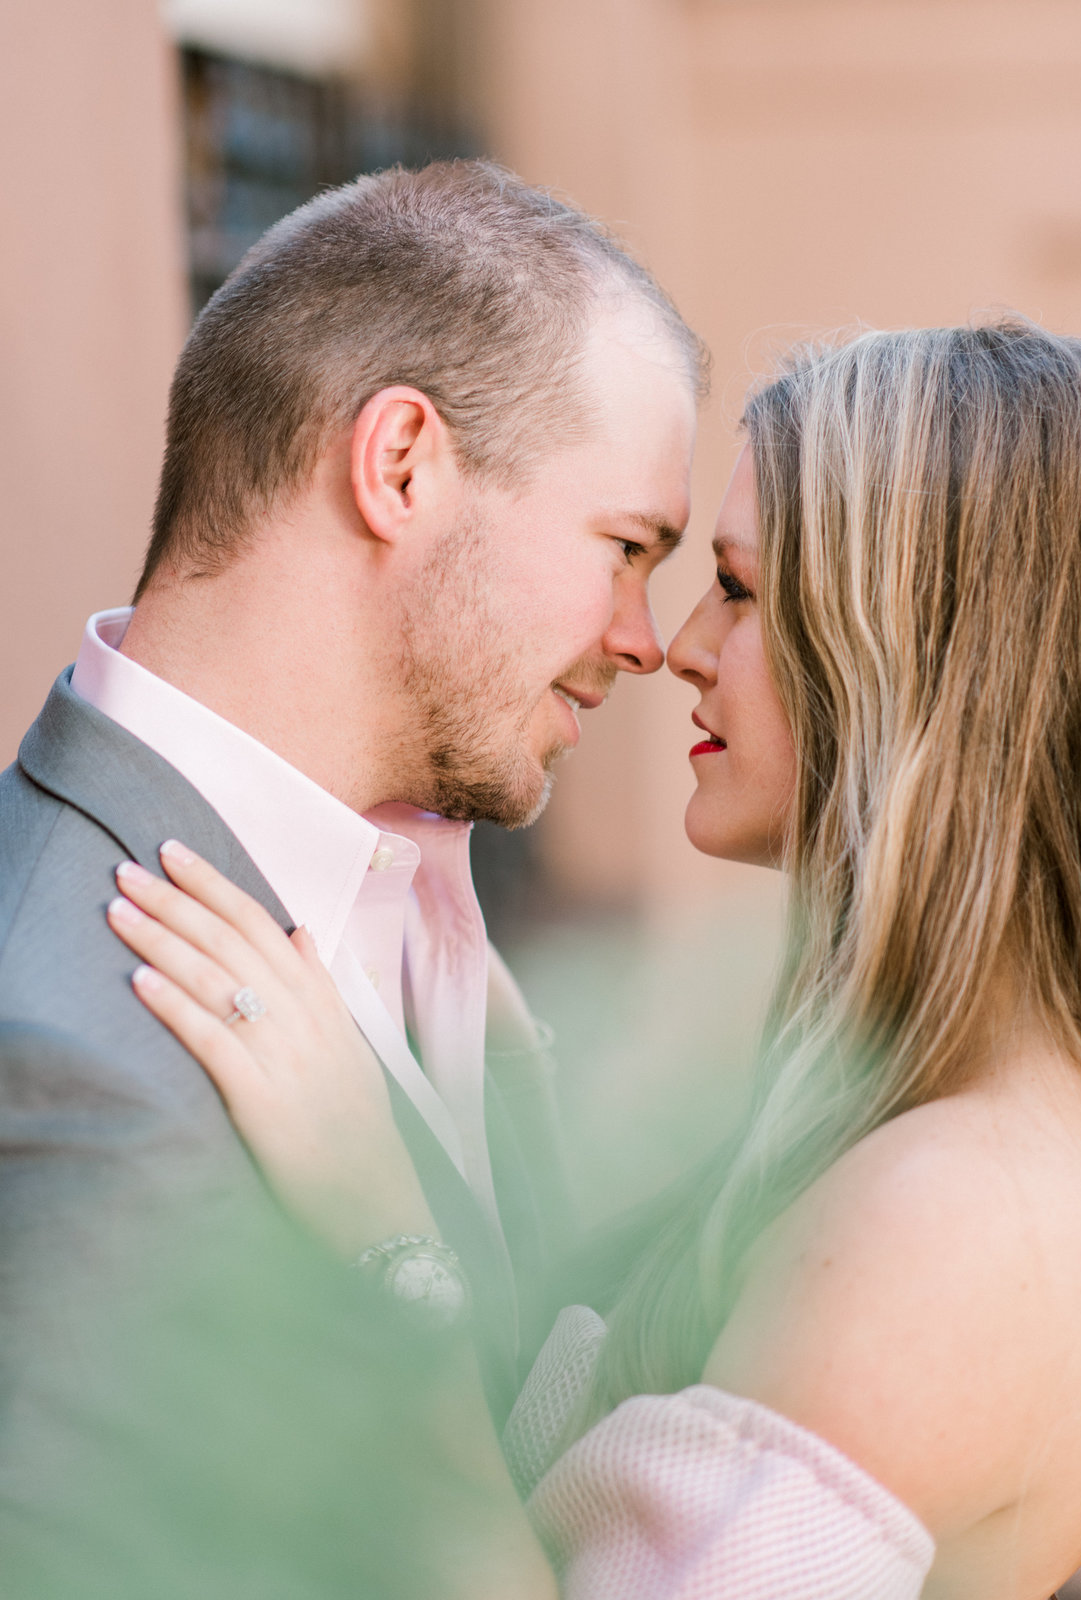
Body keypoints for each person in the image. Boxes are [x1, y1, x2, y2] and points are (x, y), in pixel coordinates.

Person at [107, 319, 1081, 1599]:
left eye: (736, 588)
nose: (676, 644)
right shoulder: (976, 1130)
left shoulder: (964, 1222)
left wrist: (385, 1242)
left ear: (916, 657)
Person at [0, 155, 705, 1505]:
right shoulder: (62, 1054)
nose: (644, 640)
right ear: (398, 466)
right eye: (625, 547)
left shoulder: (426, 910)